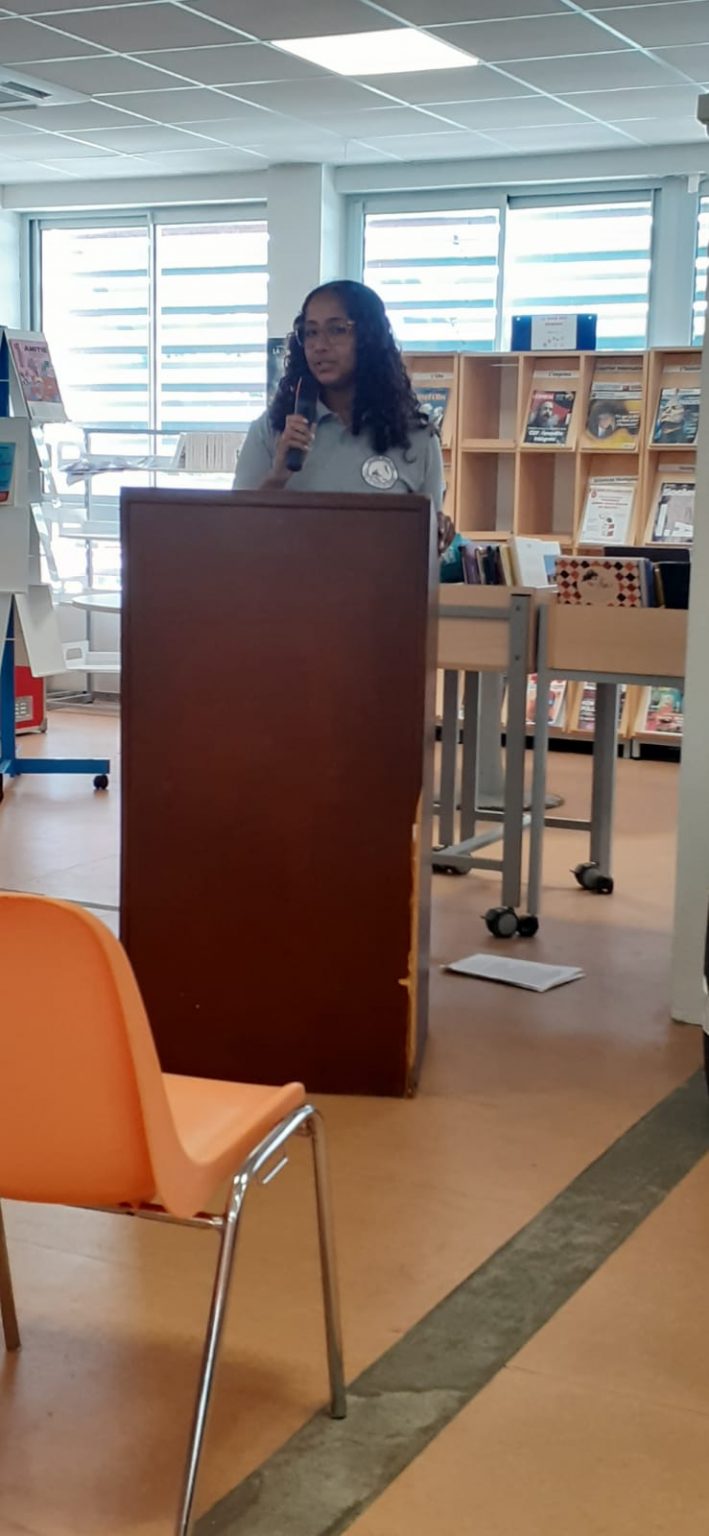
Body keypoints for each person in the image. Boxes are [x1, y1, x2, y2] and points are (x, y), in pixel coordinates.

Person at [233, 279, 454, 555]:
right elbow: (235, 533)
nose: (319, 345)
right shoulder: (272, 429)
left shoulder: (417, 436)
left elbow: (426, 549)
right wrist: (278, 477)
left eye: (337, 330)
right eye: (310, 332)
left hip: (378, 582)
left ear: (369, 338)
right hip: (286, 581)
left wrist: (439, 533)